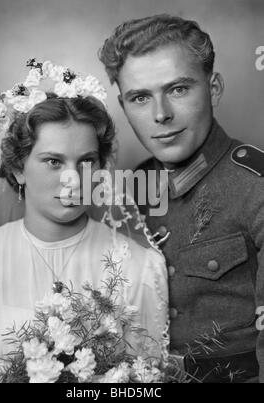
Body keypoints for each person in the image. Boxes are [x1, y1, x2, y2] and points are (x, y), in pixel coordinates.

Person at [0, 60, 168, 383]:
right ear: (18, 168)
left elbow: (149, 381)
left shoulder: (140, 266)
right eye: (54, 162)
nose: (73, 180)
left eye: (86, 162)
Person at [99, 13, 264, 382]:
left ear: (214, 88)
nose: (161, 115)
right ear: (124, 106)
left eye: (178, 89)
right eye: (140, 97)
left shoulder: (257, 186)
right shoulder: (133, 189)